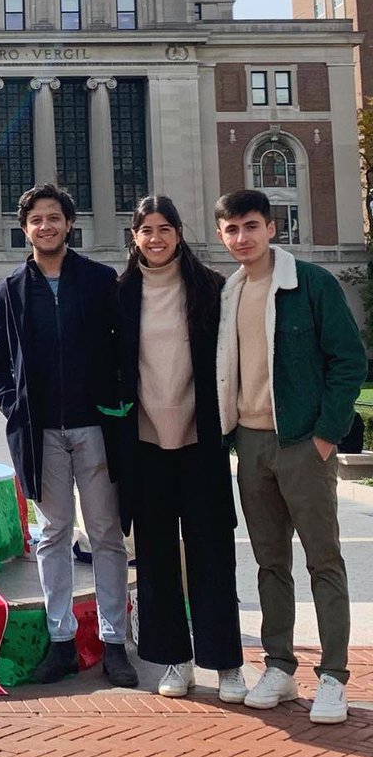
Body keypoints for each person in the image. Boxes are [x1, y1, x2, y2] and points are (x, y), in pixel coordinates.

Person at [216, 188, 365, 725]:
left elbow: (349, 361)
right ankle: (278, 665)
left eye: (251, 226)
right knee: (269, 563)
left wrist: (326, 436)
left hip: (303, 443)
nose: (242, 238)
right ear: (221, 235)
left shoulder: (311, 284)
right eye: (231, 230)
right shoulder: (229, 292)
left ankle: (333, 676)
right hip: (250, 443)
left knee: (324, 561)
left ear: (271, 228)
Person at [0, 183, 136, 687]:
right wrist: (13, 406)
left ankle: (115, 642)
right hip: (41, 430)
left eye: (54, 218)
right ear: (23, 229)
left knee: (107, 535)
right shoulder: (10, 290)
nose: (45, 227)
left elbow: (122, 349)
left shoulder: (97, 280)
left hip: (94, 426)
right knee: (51, 535)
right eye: (36, 220)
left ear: (69, 224)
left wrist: (116, 403)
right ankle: (62, 640)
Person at [118, 195, 246, 702]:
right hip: (146, 444)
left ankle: (227, 663)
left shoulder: (210, 288)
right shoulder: (122, 293)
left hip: (201, 441)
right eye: (146, 229)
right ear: (134, 237)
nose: (155, 238)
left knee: (213, 553)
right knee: (155, 558)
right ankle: (176, 659)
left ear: (178, 232)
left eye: (164, 228)